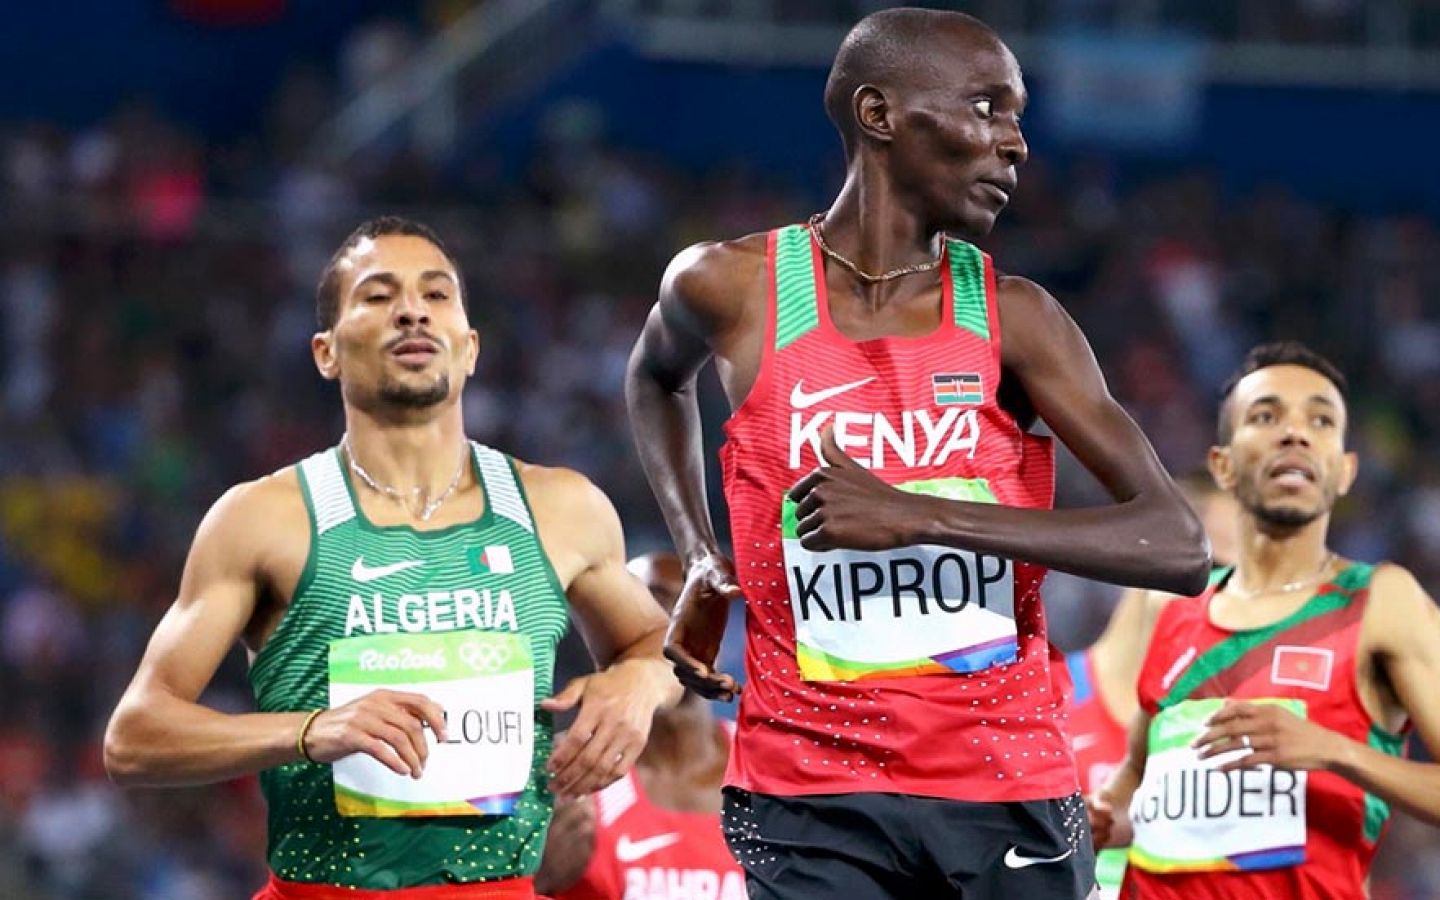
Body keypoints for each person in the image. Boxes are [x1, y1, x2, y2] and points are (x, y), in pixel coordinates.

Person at [626, 8, 1210, 898]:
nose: (1015, 143)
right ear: (880, 115)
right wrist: (703, 554)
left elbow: (1177, 545)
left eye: (1017, 118)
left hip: (1003, 780)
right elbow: (655, 379)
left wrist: (919, 517)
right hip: (809, 790)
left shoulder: (1018, 318)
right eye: (986, 108)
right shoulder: (730, 288)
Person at [103, 217, 682, 899]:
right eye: (378, 296)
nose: (412, 311)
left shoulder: (562, 509)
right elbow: (134, 739)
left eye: (436, 295)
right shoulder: (263, 519)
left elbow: (661, 647)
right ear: (326, 353)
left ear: (470, 347)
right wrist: (313, 730)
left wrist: (639, 685)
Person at [1089, 341, 1440, 899]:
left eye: (1320, 421)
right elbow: (1135, 785)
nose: (1295, 433)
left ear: (1344, 471)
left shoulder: (1380, 603)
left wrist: (1333, 749)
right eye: (1266, 416)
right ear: (1223, 465)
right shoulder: (1175, 616)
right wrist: (1106, 821)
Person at [1063, 474, 1240, 900]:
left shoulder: (1239, 733)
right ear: (1143, 561)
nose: (1234, 603)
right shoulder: (1042, 702)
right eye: (1214, 572)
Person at [535, 553, 743, 900]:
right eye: (650, 609)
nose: (672, 629)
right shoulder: (567, 768)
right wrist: (538, 882)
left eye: (693, 608)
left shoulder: (764, 766)